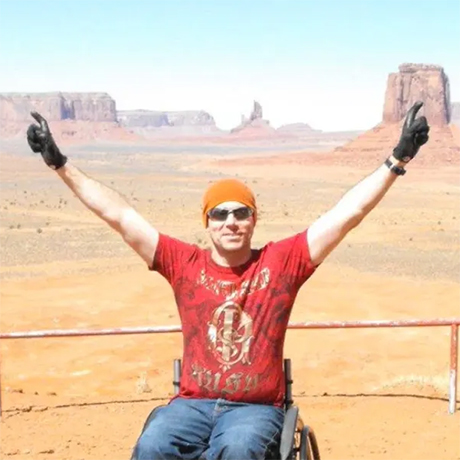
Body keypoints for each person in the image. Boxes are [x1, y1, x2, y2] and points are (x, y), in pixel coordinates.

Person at [26, 102, 429, 460]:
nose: (230, 221)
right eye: (219, 214)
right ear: (207, 222)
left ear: (254, 220)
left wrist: (397, 159)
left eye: (241, 212)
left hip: (255, 411)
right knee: (153, 446)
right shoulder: (183, 263)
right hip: (191, 406)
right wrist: (60, 164)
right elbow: (119, 215)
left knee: (239, 449)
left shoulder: (282, 262)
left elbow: (346, 215)